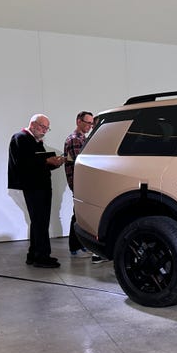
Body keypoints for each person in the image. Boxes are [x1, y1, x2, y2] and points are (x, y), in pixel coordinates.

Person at [8, 114, 66, 268]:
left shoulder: (35, 140)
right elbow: (23, 162)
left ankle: (34, 254)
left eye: (47, 128)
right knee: (40, 221)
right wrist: (47, 161)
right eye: (43, 127)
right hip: (33, 186)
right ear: (33, 124)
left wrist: (55, 163)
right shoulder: (20, 138)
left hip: (41, 185)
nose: (45, 131)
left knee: (39, 221)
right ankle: (42, 256)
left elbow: (40, 163)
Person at [64, 111, 106, 263]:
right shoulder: (75, 139)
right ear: (78, 121)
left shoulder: (83, 139)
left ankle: (80, 246)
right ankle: (75, 247)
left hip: (82, 182)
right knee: (78, 214)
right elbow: (80, 162)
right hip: (79, 182)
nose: (89, 126)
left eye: (91, 123)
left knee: (80, 213)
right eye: (87, 123)